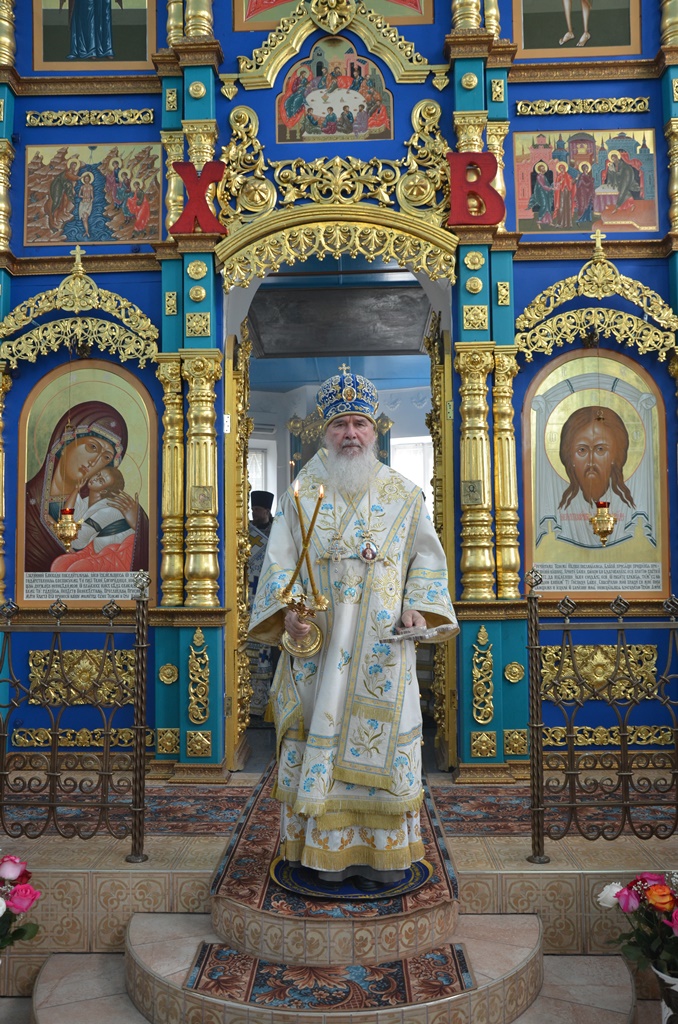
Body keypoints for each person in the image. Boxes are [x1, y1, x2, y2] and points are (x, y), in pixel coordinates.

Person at [249, 369, 458, 889]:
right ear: (325, 431)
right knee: (319, 742)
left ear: (374, 430)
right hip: (319, 654)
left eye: (359, 424)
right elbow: (278, 567)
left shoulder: (405, 495)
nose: (350, 434)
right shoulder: (299, 495)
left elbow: (427, 562)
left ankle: (385, 859)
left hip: (382, 651)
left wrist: (417, 608)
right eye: (340, 424)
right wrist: (288, 614)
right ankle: (319, 858)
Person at [25, 401, 149, 575]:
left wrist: (139, 524)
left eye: (106, 457)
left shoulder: (116, 506)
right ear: (65, 442)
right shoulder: (25, 500)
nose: (94, 462)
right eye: (92, 447)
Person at [50, 466, 138, 573]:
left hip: (117, 557)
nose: (95, 478)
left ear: (104, 490)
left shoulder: (108, 510)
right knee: (60, 565)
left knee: (69, 569)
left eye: (101, 480)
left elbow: (76, 543)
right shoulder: (86, 502)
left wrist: (52, 524)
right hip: (94, 552)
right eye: (98, 474)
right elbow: (66, 516)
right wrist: (76, 490)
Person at [558, 405, 636, 511]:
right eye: (582, 450)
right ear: (570, 457)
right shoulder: (564, 506)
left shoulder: (626, 507)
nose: (591, 462)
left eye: (600, 449)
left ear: (615, 455)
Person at [247, 491, 279, 718]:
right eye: (252, 510)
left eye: (257, 510)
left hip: (267, 598)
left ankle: (264, 706)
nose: (253, 514)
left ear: (267, 510)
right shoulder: (247, 532)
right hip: (248, 597)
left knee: (266, 652)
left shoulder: (277, 532)